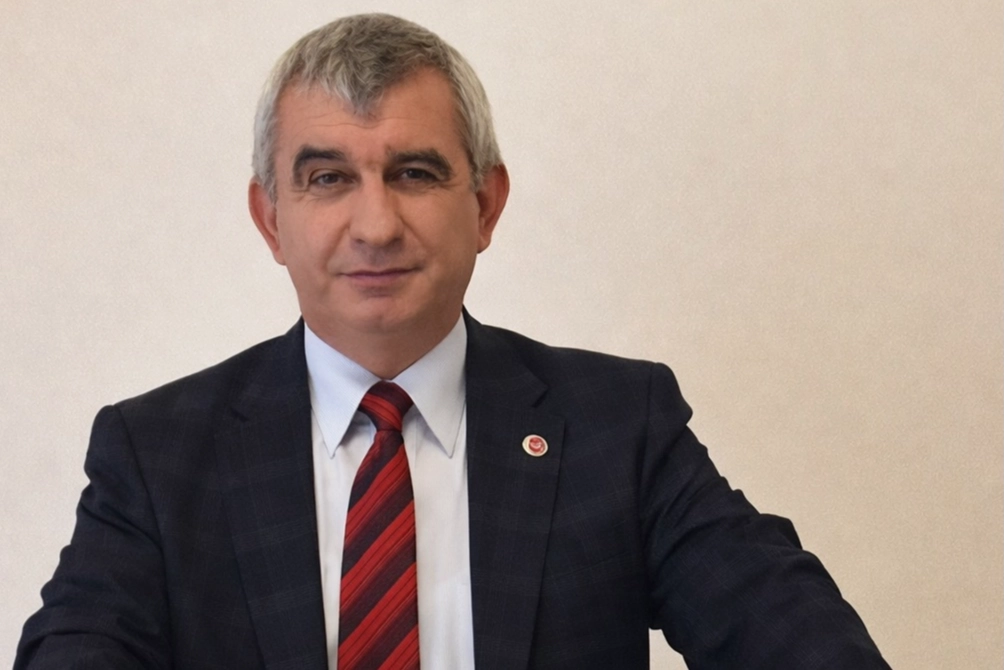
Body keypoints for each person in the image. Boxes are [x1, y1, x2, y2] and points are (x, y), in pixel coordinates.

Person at [15, 13, 890, 670]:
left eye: (414, 173)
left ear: (484, 205)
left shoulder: (620, 428)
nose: (375, 225)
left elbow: (796, 638)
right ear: (270, 219)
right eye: (328, 178)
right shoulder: (157, 454)